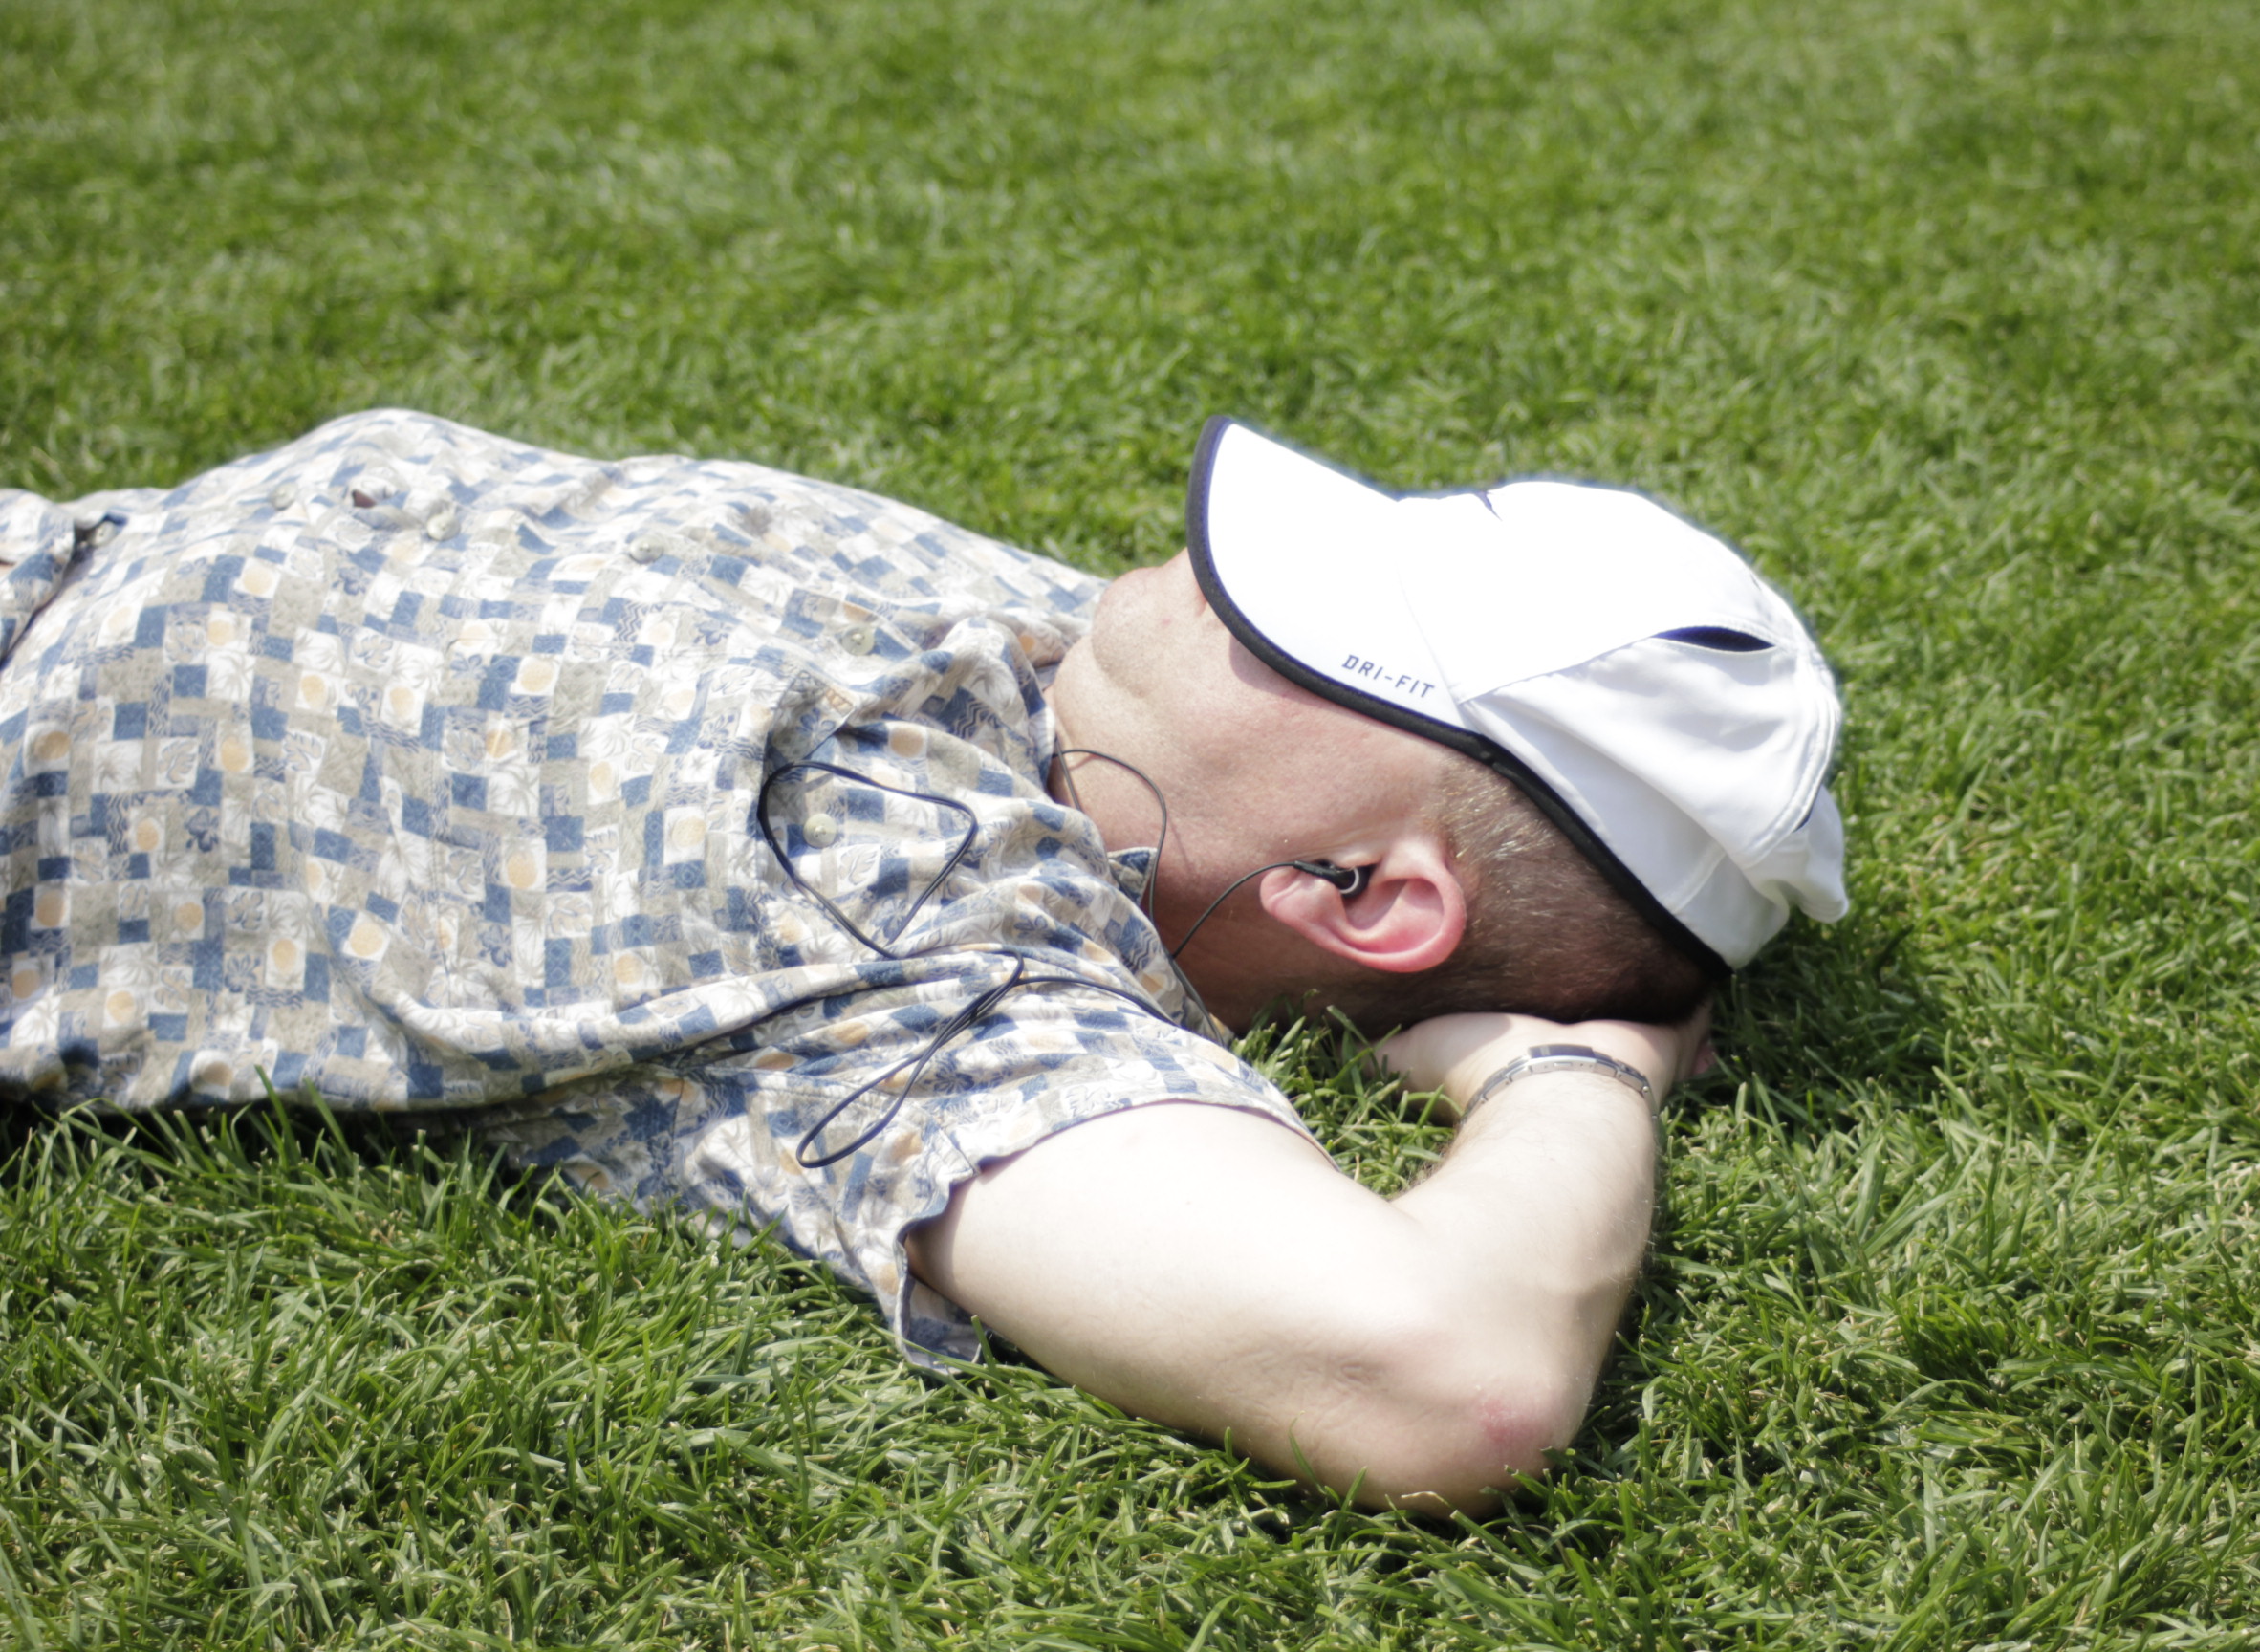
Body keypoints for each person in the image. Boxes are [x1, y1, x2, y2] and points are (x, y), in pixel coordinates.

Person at [0, 409, 1845, 1513]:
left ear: (1362, 896)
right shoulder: (1093, 683)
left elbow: (1449, 1378)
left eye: (1300, 629)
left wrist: (1572, 1068)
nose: (1206, 572)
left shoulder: (924, 931)